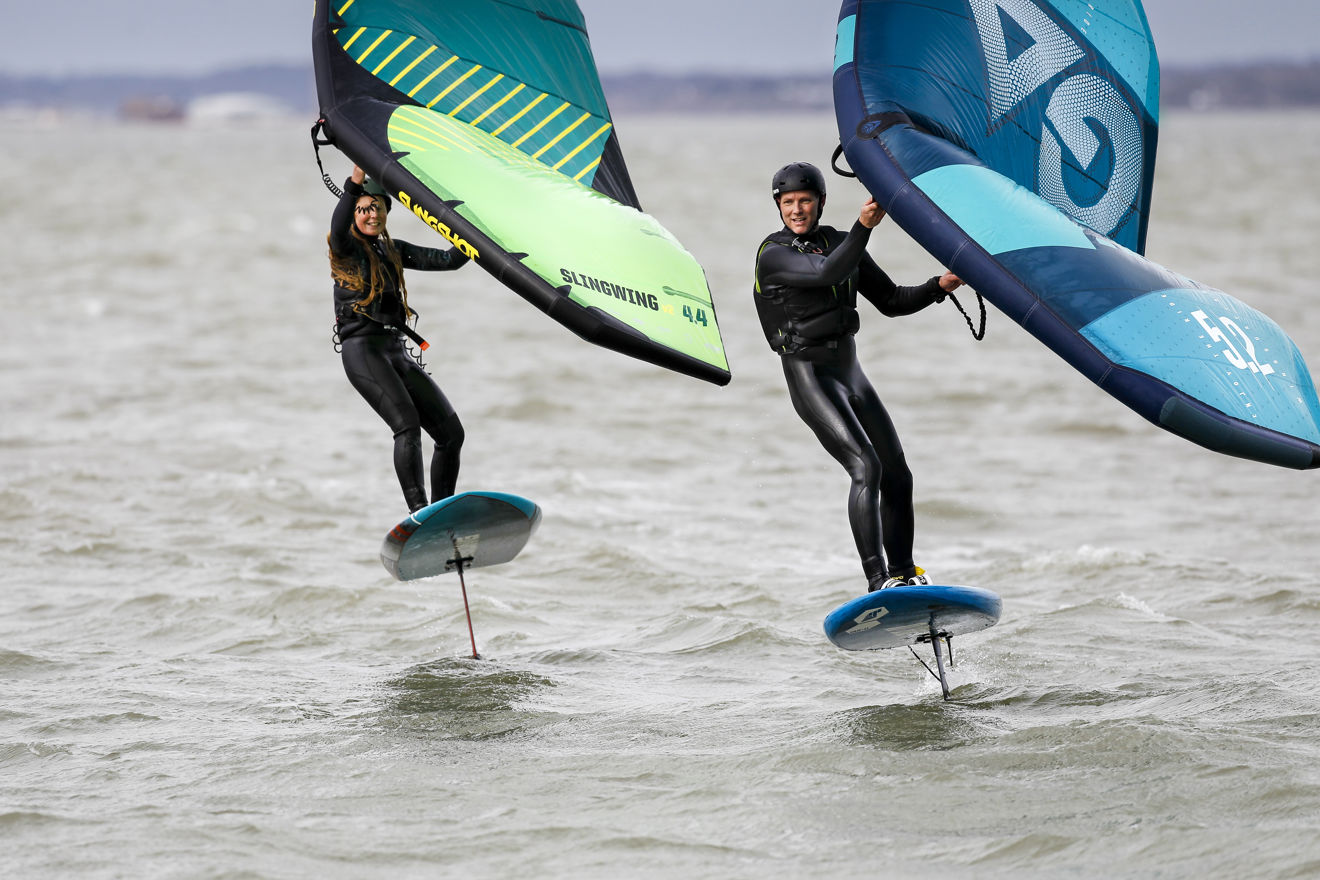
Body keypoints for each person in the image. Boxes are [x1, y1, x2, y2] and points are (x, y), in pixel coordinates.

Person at [752, 162, 963, 592]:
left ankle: (905, 574)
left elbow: (890, 300)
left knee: (898, 472)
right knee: (865, 467)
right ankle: (877, 581)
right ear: (778, 206)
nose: (797, 210)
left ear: (820, 202)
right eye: (788, 203)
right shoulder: (773, 254)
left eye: (805, 201)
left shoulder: (837, 241)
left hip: (850, 371)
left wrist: (941, 284)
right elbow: (826, 273)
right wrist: (863, 227)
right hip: (810, 374)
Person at [328, 165, 471, 513]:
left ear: (386, 212)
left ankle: (443, 510)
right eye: (364, 209)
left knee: (451, 435)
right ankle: (419, 512)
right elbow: (337, 225)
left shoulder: (394, 250)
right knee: (406, 426)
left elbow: (451, 259)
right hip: (363, 351)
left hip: (395, 350)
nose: (371, 214)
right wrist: (356, 182)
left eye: (377, 207)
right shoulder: (345, 248)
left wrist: (476, 227)